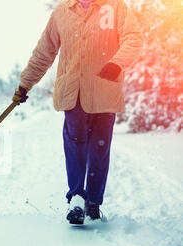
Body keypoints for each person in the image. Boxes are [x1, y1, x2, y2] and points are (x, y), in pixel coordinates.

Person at [13, 0, 143, 224]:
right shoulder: (63, 12)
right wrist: (25, 83)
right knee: (75, 145)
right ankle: (75, 196)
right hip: (73, 93)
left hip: (104, 91)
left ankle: (93, 202)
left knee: (99, 150)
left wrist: (118, 62)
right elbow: (44, 52)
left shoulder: (115, 7)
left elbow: (134, 38)